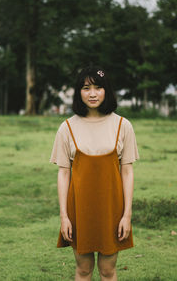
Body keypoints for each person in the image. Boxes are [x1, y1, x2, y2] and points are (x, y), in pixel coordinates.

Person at [50, 66, 139, 281]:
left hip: (112, 209)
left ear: (106, 91)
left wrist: (126, 215)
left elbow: (127, 172)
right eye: (86, 88)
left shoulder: (123, 125)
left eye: (98, 88)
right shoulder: (67, 128)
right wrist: (64, 217)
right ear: (78, 92)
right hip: (79, 209)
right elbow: (63, 174)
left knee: (108, 271)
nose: (92, 93)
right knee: (83, 270)